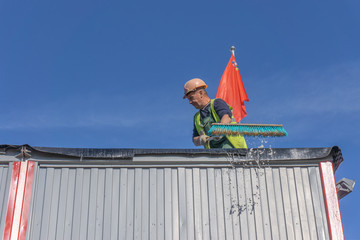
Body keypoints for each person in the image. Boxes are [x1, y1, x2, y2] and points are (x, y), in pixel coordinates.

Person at [183, 78, 247, 149]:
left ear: (201, 93)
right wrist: (200, 139)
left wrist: (220, 130)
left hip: (233, 148)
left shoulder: (217, 103)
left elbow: (226, 117)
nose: (190, 102)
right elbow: (195, 139)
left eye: (191, 98)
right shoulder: (197, 117)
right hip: (213, 154)